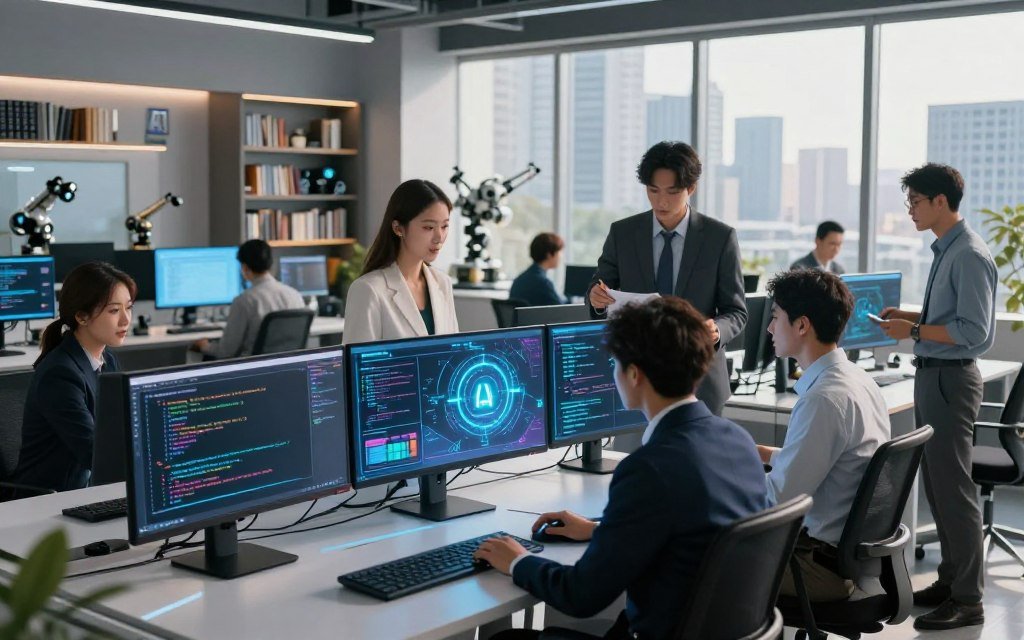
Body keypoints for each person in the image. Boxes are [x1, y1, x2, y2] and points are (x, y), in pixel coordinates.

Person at [473, 297, 766, 640]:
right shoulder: (738, 440)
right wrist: (602, 530)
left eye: (614, 363)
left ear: (634, 374)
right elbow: (690, 531)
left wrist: (517, 560)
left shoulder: (648, 469)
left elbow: (580, 596)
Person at [879, 163, 996, 631]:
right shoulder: (947, 250)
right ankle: (950, 582)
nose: (909, 210)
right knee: (937, 486)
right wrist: (909, 316)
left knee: (954, 489)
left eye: (914, 202)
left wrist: (913, 330)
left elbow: (975, 332)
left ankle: (968, 598)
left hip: (950, 379)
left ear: (940, 202)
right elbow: (950, 315)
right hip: (933, 375)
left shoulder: (968, 254)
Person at [587, 141, 746, 416]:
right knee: (635, 459)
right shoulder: (623, 234)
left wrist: (716, 330)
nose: (661, 201)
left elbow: (736, 312)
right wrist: (597, 299)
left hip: (701, 383)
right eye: (653, 190)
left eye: (672, 192)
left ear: (691, 188)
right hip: (639, 380)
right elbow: (599, 289)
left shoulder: (719, 238)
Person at [759, 269, 890, 602]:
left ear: (802, 325)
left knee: (691, 558)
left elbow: (780, 500)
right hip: (851, 559)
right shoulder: (857, 380)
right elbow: (831, 462)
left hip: (815, 567)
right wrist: (768, 455)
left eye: (775, 317)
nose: (771, 328)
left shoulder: (823, 399)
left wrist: (721, 482)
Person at [11, 262, 135, 493]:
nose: (126, 320)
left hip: (88, 491)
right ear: (82, 316)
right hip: (49, 500)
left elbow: (122, 430)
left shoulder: (108, 359)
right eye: (114, 310)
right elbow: (95, 453)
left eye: (128, 308)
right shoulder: (60, 374)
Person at [343, 179, 458, 344]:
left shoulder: (443, 283)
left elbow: (454, 352)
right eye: (429, 227)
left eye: (445, 226)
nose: (439, 237)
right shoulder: (368, 290)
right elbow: (356, 365)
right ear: (398, 228)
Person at [191, 239, 305, 359]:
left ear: (244, 268)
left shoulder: (245, 301)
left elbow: (226, 352)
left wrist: (204, 346)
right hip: (287, 368)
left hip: (252, 370)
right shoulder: (295, 295)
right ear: (270, 263)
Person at [509, 232, 567, 307]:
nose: (561, 256)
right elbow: (563, 310)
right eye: (559, 252)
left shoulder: (519, 280)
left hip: (526, 318)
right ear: (549, 255)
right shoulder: (543, 283)